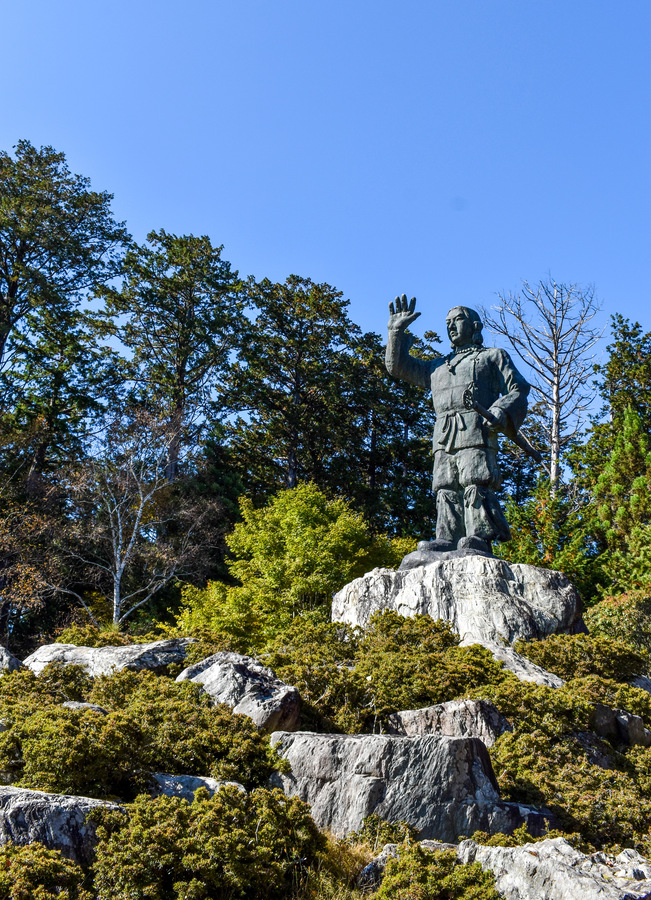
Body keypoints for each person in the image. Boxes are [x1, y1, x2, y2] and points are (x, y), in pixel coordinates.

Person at [385, 294, 530, 552]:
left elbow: (518, 389)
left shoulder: (492, 357)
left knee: (475, 478)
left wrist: (499, 409)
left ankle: (479, 535)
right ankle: (447, 536)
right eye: (448, 322)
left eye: (458, 320)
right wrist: (395, 332)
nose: (451, 325)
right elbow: (398, 367)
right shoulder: (438, 367)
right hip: (444, 434)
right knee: (445, 484)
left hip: (476, 428)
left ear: (475, 326)